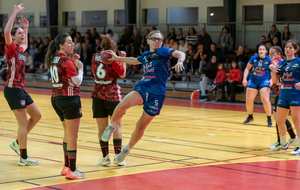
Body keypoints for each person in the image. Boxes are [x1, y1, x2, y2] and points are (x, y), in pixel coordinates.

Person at [101, 30, 185, 164]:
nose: (157, 41)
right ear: (148, 40)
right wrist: (117, 58)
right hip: (143, 87)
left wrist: (180, 60)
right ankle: (111, 126)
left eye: (159, 39)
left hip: (157, 94)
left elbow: (180, 53)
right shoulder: (146, 54)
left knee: (140, 126)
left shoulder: (162, 51)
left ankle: (126, 150)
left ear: (162, 42)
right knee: (122, 105)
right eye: (154, 38)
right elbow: (135, 60)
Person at [4, 4, 41, 166]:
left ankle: (18, 142)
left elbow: (25, 43)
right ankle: (23, 157)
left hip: (21, 89)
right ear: (13, 37)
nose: (22, 35)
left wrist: (25, 28)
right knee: (22, 123)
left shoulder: (20, 49)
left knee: (37, 116)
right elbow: (6, 31)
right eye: (19, 34)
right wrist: (14, 13)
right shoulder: (11, 48)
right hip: (13, 89)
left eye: (22, 34)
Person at [45, 33, 84, 179]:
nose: (72, 44)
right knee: (72, 136)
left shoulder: (54, 58)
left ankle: (66, 166)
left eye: (72, 42)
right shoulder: (66, 60)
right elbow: (77, 81)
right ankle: (72, 170)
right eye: (69, 42)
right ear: (61, 45)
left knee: (67, 134)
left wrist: (72, 63)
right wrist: (80, 68)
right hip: (69, 99)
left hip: (56, 99)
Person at [91, 35, 127, 166]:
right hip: (113, 96)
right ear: (113, 48)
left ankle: (105, 157)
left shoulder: (95, 57)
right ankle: (118, 157)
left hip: (97, 95)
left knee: (102, 128)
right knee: (116, 126)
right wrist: (122, 59)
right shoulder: (113, 58)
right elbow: (122, 74)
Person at [269, 40, 300, 153]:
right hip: (283, 94)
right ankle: (283, 144)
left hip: (295, 95)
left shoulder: (298, 62)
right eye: (286, 47)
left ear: (295, 50)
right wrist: (272, 70)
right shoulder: (281, 63)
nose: (287, 49)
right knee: (279, 120)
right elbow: (274, 81)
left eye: (290, 47)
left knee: (297, 121)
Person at [242, 44, 273, 127]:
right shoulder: (253, 58)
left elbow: (274, 70)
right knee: (249, 99)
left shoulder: (269, 59)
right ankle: (250, 116)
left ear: (266, 51)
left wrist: (272, 79)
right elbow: (247, 68)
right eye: (260, 49)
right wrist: (244, 79)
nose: (261, 51)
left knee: (265, 99)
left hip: (264, 81)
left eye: (263, 49)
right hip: (253, 80)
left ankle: (269, 118)